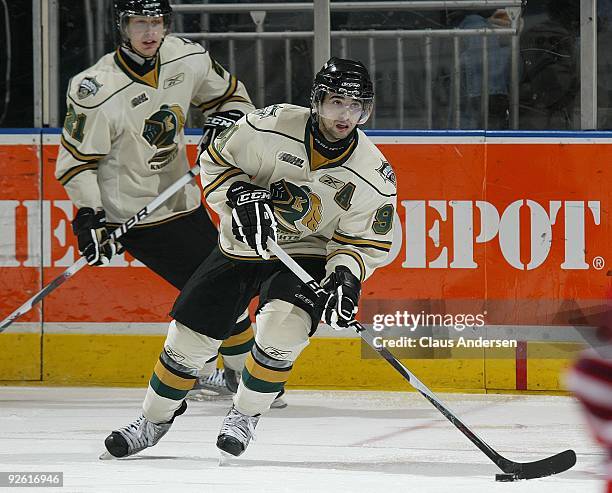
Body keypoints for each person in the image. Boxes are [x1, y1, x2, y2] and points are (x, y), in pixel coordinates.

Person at [100, 57, 397, 460]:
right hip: (241, 245)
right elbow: (215, 161)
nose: (345, 115)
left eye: (356, 106)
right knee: (186, 343)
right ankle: (153, 421)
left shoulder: (373, 174)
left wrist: (345, 276)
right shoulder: (269, 126)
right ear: (316, 101)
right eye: (336, 103)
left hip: (305, 252)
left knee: (282, 333)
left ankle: (244, 414)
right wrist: (239, 195)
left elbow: (363, 242)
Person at [55, 0, 261, 399]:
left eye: (156, 22)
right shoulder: (95, 87)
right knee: (219, 288)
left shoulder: (187, 57)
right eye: (139, 23)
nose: (150, 33)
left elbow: (232, 98)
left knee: (222, 288)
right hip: (135, 215)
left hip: (181, 200)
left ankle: (230, 373)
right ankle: (240, 376)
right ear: (122, 26)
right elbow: (77, 163)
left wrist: (224, 124)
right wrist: (90, 217)